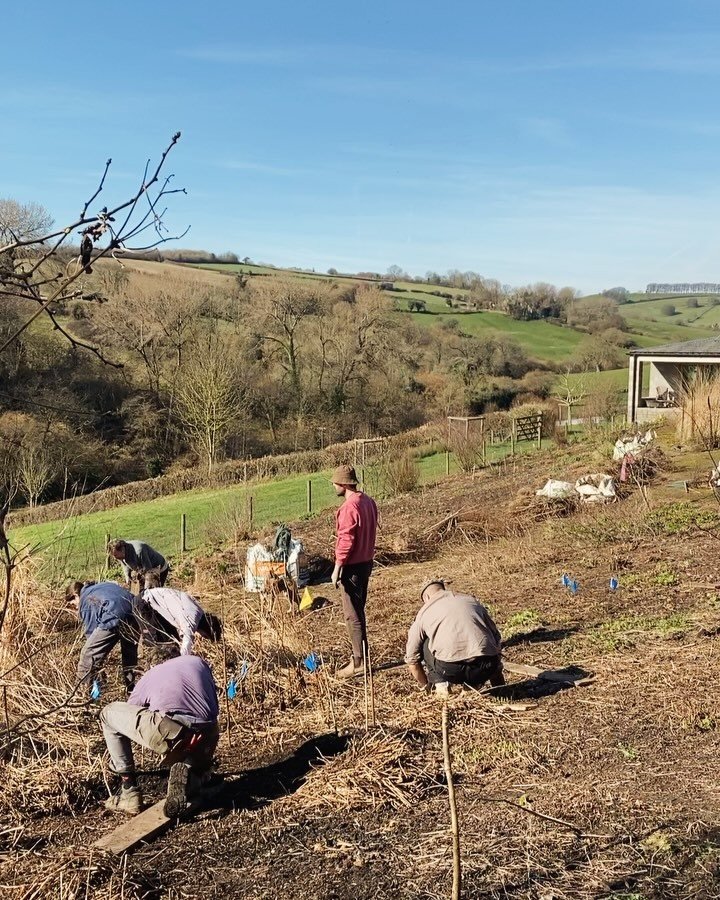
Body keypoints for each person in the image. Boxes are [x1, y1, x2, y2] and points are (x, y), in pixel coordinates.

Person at [100, 654, 220, 815]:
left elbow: (128, 718)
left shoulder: (150, 675)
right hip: (208, 736)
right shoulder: (198, 662)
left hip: (174, 733)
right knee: (192, 752)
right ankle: (195, 774)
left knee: (108, 714)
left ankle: (129, 792)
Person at [405, 579, 505, 697]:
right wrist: (496, 676)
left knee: (426, 641)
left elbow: (412, 659)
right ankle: (473, 685)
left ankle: (441, 685)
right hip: (485, 666)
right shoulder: (471, 601)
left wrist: (425, 685)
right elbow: (496, 638)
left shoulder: (424, 612)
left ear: (426, 597)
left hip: (450, 670)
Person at [330, 464, 378, 678]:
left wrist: (338, 567)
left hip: (353, 567)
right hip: (367, 562)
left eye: (334, 483)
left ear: (342, 484)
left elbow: (346, 541)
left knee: (352, 615)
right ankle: (362, 657)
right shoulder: (368, 501)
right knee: (359, 611)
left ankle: (358, 662)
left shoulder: (350, 508)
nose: (333, 486)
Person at [66, 580, 140, 693]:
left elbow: (91, 635)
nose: (76, 608)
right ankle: (133, 691)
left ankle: (81, 695)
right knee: (129, 656)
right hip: (135, 612)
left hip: (114, 615)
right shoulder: (100, 586)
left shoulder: (85, 600)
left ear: (76, 596)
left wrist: (96, 663)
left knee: (87, 654)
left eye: (73, 604)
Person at [139, 576, 223, 662]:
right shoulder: (190, 621)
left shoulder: (198, 611)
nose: (202, 636)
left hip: (157, 607)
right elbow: (186, 648)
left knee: (172, 643)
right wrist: (180, 664)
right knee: (157, 643)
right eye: (205, 635)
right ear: (206, 629)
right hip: (145, 603)